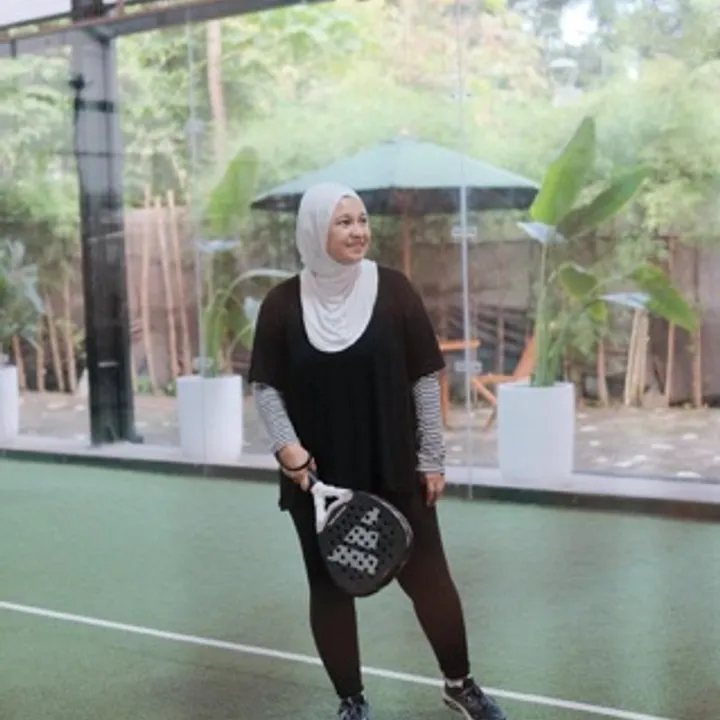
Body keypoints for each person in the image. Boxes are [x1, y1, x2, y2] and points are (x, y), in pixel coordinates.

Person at [248, 182, 508, 720]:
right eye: (343, 222)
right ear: (314, 230)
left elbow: (424, 378)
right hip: (316, 476)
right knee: (329, 588)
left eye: (362, 220)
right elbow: (267, 388)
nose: (358, 231)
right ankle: (352, 701)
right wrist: (287, 448)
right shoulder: (280, 305)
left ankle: (460, 686)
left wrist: (431, 457)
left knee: (430, 580)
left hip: (394, 464)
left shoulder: (394, 291)